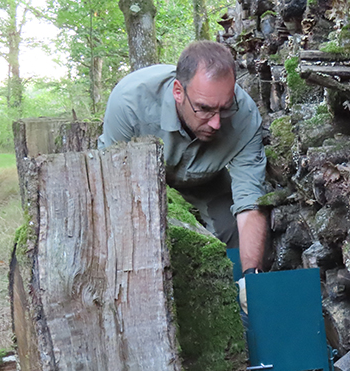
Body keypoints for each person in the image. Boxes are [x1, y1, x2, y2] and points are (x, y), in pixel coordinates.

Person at [98, 40, 268, 277]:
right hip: (138, 186)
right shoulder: (129, 103)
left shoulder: (245, 116)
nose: (216, 122)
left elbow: (250, 201)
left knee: (233, 231)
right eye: (204, 109)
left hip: (205, 182)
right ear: (178, 92)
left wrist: (252, 275)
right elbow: (113, 189)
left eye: (225, 108)